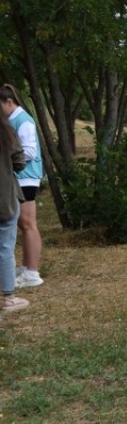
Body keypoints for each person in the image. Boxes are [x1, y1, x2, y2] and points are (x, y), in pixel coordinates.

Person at [0, 84, 44, 289]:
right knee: (23, 223)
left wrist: (6, 159)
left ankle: (32, 273)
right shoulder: (12, 120)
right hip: (20, 178)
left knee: (27, 223)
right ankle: (26, 267)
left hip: (26, 177)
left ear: (9, 102)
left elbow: (30, 151)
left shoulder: (23, 120)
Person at [0, 109, 29, 314]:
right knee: (5, 247)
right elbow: (20, 163)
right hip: (5, 197)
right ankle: (9, 298)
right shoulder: (7, 132)